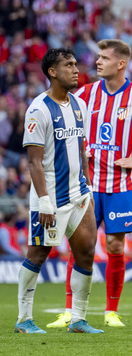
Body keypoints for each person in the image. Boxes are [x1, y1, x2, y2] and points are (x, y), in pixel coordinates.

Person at [47, 39, 132, 328]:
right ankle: (70, 310)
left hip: (120, 185)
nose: (97, 62)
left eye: (104, 58)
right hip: (87, 186)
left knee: (117, 247)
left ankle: (111, 311)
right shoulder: (85, 94)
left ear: (121, 64)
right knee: (79, 246)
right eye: (97, 57)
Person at [16, 48, 102, 334]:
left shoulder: (80, 105)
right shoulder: (38, 109)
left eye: (76, 64)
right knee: (38, 255)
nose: (76, 69)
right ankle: (23, 320)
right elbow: (33, 161)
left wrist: (87, 185)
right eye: (68, 65)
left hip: (80, 194)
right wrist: (43, 201)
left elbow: (82, 148)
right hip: (50, 197)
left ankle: (78, 319)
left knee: (87, 253)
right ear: (52, 72)